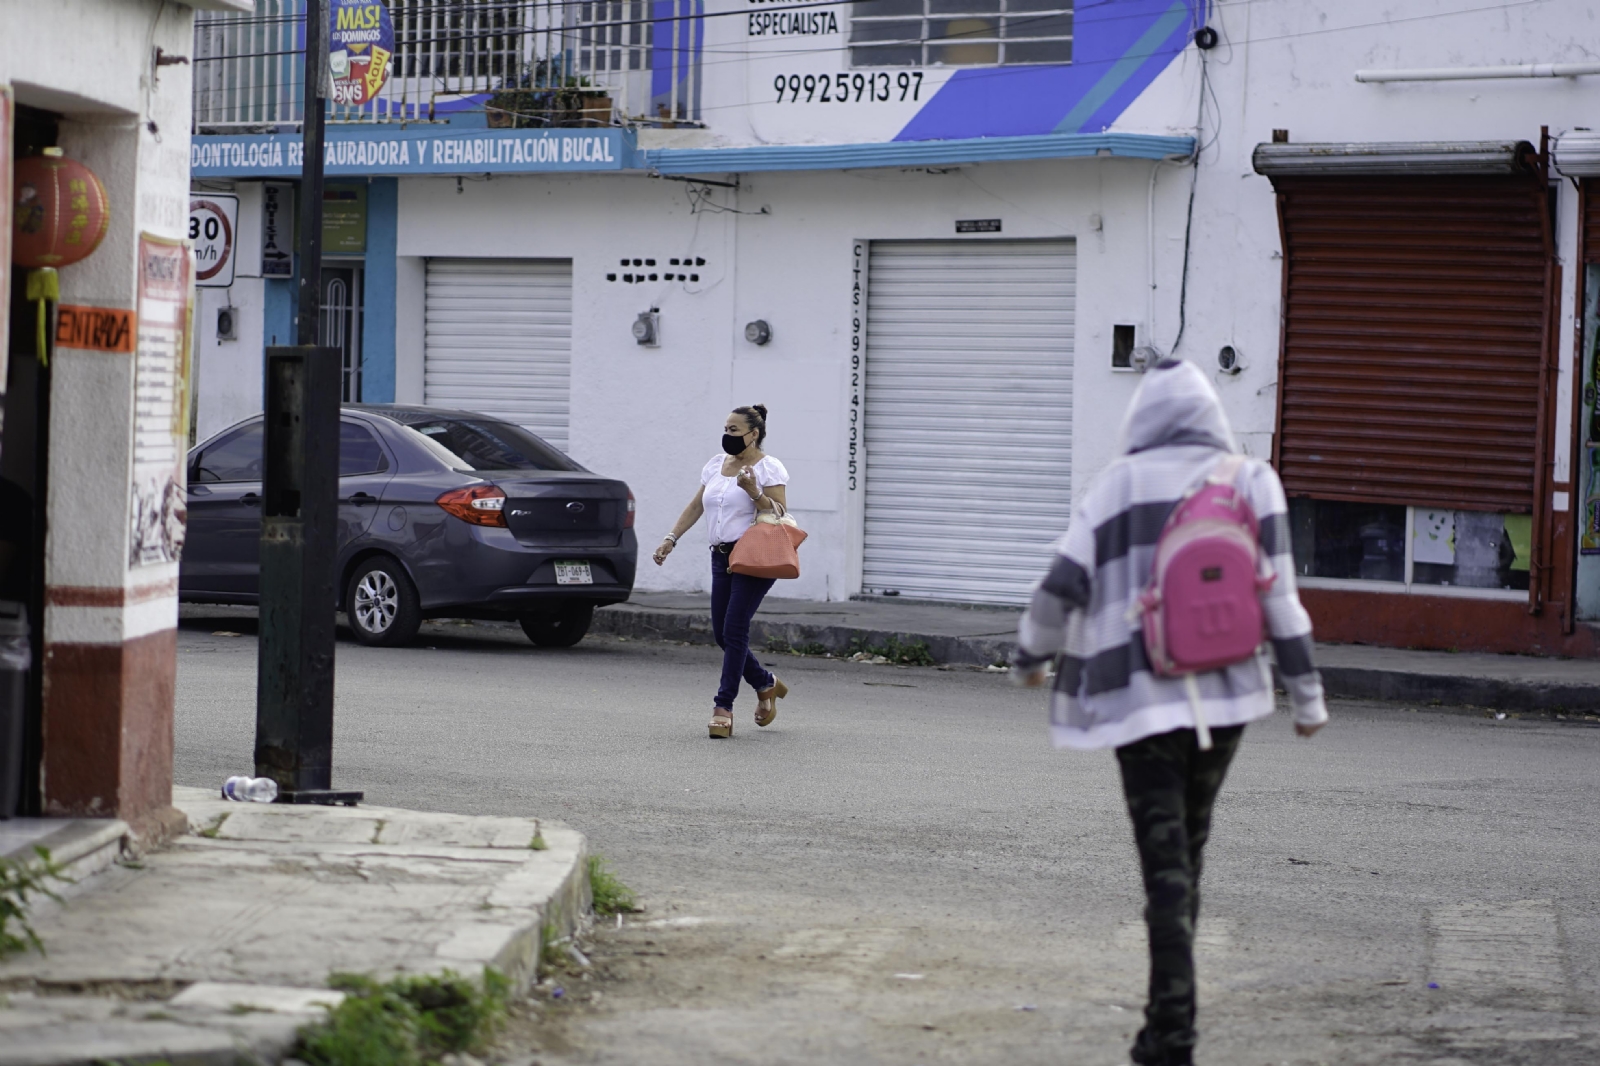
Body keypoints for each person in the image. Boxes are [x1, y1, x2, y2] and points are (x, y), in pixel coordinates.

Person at [1011, 359, 1327, 1066]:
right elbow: (1282, 601)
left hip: (1140, 701)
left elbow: (1060, 584)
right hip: (1231, 696)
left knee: (1165, 868)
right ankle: (1165, 1025)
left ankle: (1172, 1037)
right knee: (1190, 854)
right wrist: (1307, 696)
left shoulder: (1116, 484)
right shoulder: (1252, 480)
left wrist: (1030, 657)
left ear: (1142, 418)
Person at [653, 405, 791, 738]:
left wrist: (754, 491)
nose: (727, 435)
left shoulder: (769, 467)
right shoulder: (717, 465)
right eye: (726, 429)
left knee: (735, 629)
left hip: (753, 558)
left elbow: (780, 511)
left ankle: (723, 707)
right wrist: (672, 538)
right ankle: (765, 683)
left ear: (753, 433)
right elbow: (698, 504)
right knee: (722, 634)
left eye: (734, 430)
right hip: (721, 558)